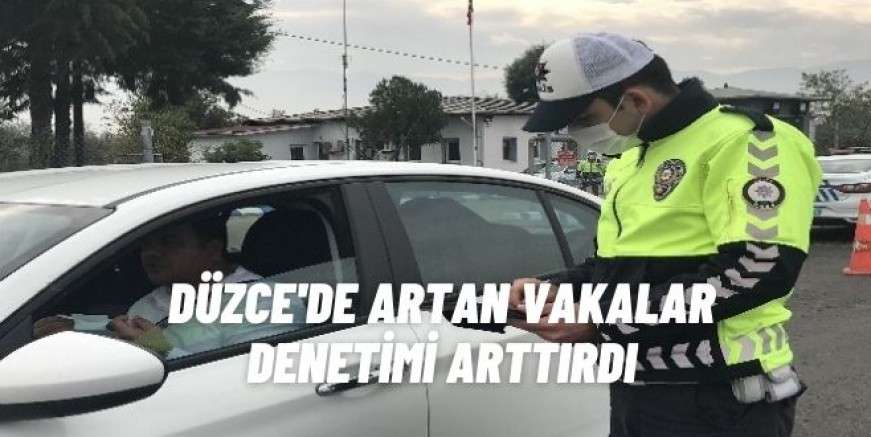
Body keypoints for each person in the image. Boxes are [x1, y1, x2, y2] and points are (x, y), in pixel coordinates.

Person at [509, 32, 820, 436]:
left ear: (636, 101)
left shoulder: (747, 142)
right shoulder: (632, 156)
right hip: (638, 391)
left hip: (721, 399)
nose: (576, 132)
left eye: (583, 119)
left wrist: (602, 321)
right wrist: (555, 288)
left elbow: (756, 270)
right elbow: (615, 268)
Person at [34, 214, 303, 358]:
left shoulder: (266, 301)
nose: (151, 254)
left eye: (169, 242)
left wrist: (162, 350)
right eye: (146, 245)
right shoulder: (151, 302)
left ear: (213, 250)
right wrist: (76, 328)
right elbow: (130, 342)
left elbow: (253, 384)